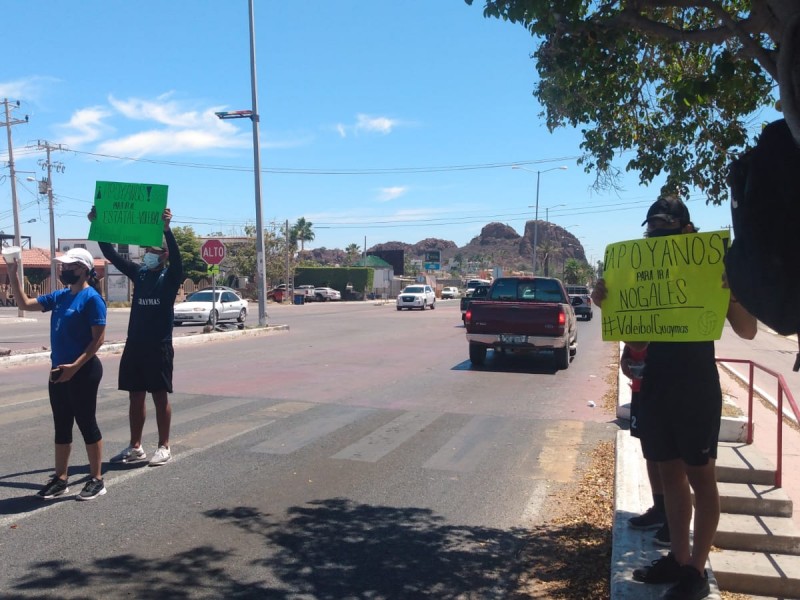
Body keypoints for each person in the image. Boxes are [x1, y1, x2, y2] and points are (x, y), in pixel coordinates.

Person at [592, 196, 757, 600]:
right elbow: (639, 338)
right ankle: (678, 557)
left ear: (687, 230)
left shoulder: (712, 267)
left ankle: (695, 571)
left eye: (667, 231)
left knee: (702, 477)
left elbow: (749, 331)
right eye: (654, 232)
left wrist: (731, 290)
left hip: (697, 386)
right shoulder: (647, 272)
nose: (659, 238)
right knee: (670, 475)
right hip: (659, 384)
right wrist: (608, 305)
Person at [6, 248, 108, 500]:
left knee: (86, 423)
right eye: (62, 267)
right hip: (58, 371)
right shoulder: (61, 296)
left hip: (83, 371)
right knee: (62, 426)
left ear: (84, 269)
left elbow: (98, 340)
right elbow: (25, 304)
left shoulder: (92, 298)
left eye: (69, 267)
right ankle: (60, 478)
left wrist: (75, 367)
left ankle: (96, 479)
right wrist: (12, 272)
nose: (63, 271)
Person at [89, 207, 183, 467]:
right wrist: (98, 226)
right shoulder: (139, 274)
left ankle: (164, 446)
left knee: (160, 395)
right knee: (135, 396)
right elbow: (109, 254)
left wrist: (167, 230)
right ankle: (135, 446)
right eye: (146, 252)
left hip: (159, 346)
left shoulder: (171, 277)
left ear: (162, 254)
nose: (147, 256)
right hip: (135, 346)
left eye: (152, 251)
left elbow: (178, 259)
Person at [621, 344, 671, 547]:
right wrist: (626, 360)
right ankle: (659, 509)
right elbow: (629, 348)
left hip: (666, 391)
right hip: (641, 390)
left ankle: (673, 520)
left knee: (670, 459)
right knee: (650, 451)